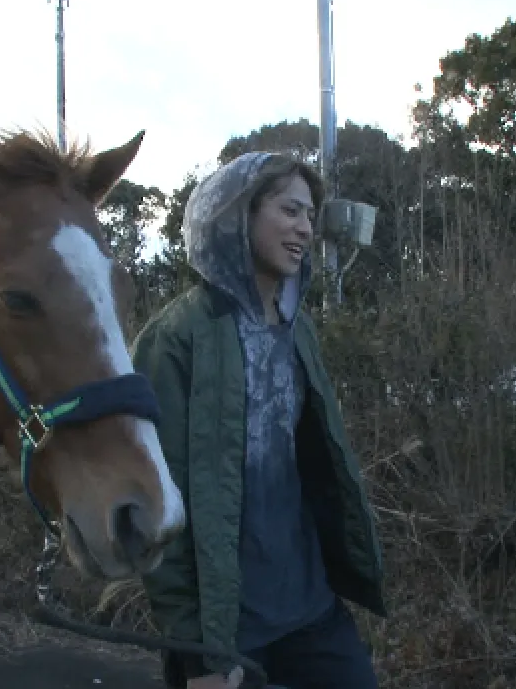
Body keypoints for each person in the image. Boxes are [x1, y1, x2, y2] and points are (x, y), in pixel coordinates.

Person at [131, 151, 387, 689]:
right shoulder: (178, 336)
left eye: (311, 216)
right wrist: (194, 650)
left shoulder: (299, 329)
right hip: (227, 625)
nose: (305, 228)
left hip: (309, 604)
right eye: (290, 210)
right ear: (239, 214)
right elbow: (158, 499)